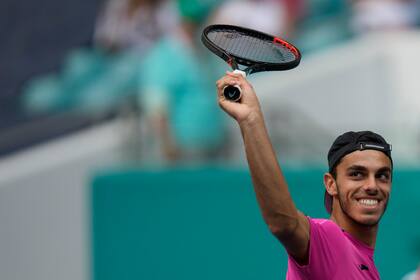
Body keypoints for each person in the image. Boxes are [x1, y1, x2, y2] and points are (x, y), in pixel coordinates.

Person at [216, 71, 393, 279]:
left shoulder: (367, 265)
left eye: (382, 176)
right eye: (357, 174)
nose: (372, 185)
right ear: (331, 184)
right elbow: (283, 223)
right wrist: (251, 120)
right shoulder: (330, 239)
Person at [138, 0, 227, 164]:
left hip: (213, 147)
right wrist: (168, 147)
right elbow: (156, 107)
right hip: (183, 152)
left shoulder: (203, 52)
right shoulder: (163, 56)